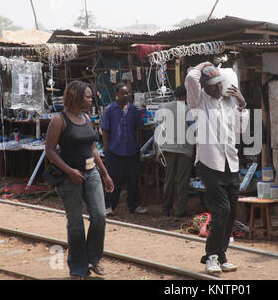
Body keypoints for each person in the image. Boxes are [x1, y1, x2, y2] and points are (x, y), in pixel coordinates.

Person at [45, 80, 114, 280]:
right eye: (88, 96)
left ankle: (94, 258)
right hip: (69, 177)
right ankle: (77, 268)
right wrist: (69, 171)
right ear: (75, 97)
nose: (91, 99)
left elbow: (92, 148)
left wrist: (105, 174)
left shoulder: (86, 117)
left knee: (99, 216)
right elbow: (49, 151)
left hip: (91, 173)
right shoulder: (60, 120)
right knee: (75, 223)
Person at [185, 62, 249, 275]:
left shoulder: (229, 102)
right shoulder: (199, 101)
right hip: (209, 163)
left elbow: (242, 129)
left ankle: (222, 256)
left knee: (230, 213)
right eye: (211, 85)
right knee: (221, 210)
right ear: (204, 86)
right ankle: (211, 257)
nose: (216, 88)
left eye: (218, 83)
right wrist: (205, 64)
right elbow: (191, 78)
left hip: (230, 163)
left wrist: (242, 104)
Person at [102, 83, 147, 215]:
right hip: (114, 151)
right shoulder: (110, 109)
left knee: (133, 179)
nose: (126, 95)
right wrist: (106, 148)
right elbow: (105, 130)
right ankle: (109, 206)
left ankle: (134, 205)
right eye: (123, 93)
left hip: (131, 151)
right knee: (113, 180)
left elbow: (138, 129)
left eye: (128, 93)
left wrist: (138, 145)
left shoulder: (133, 110)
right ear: (116, 94)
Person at [156, 86, 195, 217]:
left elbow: (158, 129)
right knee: (182, 181)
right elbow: (194, 130)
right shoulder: (189, 109)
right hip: (184, 149)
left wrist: (158, 149)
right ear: (185, 96)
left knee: (168, 180)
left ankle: (165, 209)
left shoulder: (163, 107)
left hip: (167, 148)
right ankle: (179, 210)